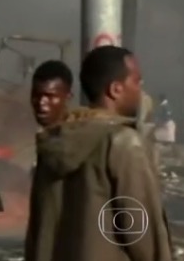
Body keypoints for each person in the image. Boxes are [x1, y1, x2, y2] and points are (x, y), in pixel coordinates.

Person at [24, 45, 172, 261]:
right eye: (136, 81)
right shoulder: (123, 143)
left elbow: (37, 234)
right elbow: (144, 238)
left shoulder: (54, 142)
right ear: (115, 89)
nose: (140, 89)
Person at [30, 60, 74, 130]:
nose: (41, 102)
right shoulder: (45, 136)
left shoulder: (80, 135)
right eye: (36, 95)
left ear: (68, 97)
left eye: (50, 96)